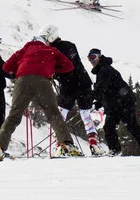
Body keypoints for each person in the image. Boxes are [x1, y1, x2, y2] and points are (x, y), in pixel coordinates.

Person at [0, 35, 82, 161]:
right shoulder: (51, 50)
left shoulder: (23, 51)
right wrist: (52, 67)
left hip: (22, 80)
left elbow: (6, 67)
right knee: (53, 114)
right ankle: (66, 144)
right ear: (45, 42)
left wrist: (18, 69)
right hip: (43, 81)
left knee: (14, 114)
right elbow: (69, 66)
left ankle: (0, 147)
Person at [38, 24, 103, 155]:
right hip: (83, 84)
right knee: (86, 115)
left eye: (45, 38)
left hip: (67, 86)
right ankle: (94, 144)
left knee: (61, 115)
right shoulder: (69, 45)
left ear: (51, 36)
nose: (44, 41)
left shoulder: (52, 51)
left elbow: (65, 68)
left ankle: (60, 144)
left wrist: (53, 74)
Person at [88, 48, 140, 156]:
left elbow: (101, 88)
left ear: (99, 57)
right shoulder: (102, 70)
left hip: (123, 102)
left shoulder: (105, 70)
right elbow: (105, 90)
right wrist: (98, 103)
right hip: (116, 103)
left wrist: (89, 100)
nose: (91, 61)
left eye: (93, 57)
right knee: (114, 127)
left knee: (129, 127)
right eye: (89, 58)